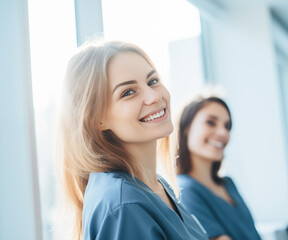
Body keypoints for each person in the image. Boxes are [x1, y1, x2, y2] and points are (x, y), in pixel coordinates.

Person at [56, 40, 208, 240]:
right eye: (128, 92)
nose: (153, 96)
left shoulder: (152, 185)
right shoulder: (125, 205)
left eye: (153, 81)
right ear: (97, 119)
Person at [176, 96, 262, 240]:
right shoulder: (185, 190)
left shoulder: (228, 184)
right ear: (186, 128)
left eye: (227, 126)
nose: (223, 133)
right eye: (211, 122)